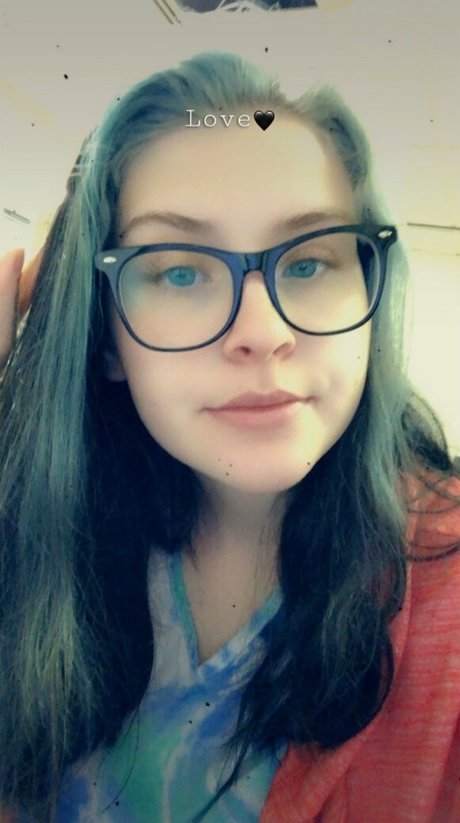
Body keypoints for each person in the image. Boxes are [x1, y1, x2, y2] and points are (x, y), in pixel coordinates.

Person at [0, 50, 459, 823]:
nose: (263, 331)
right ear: (105, 334)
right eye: (180, 272)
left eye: (309, 262)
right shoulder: (37, 533)